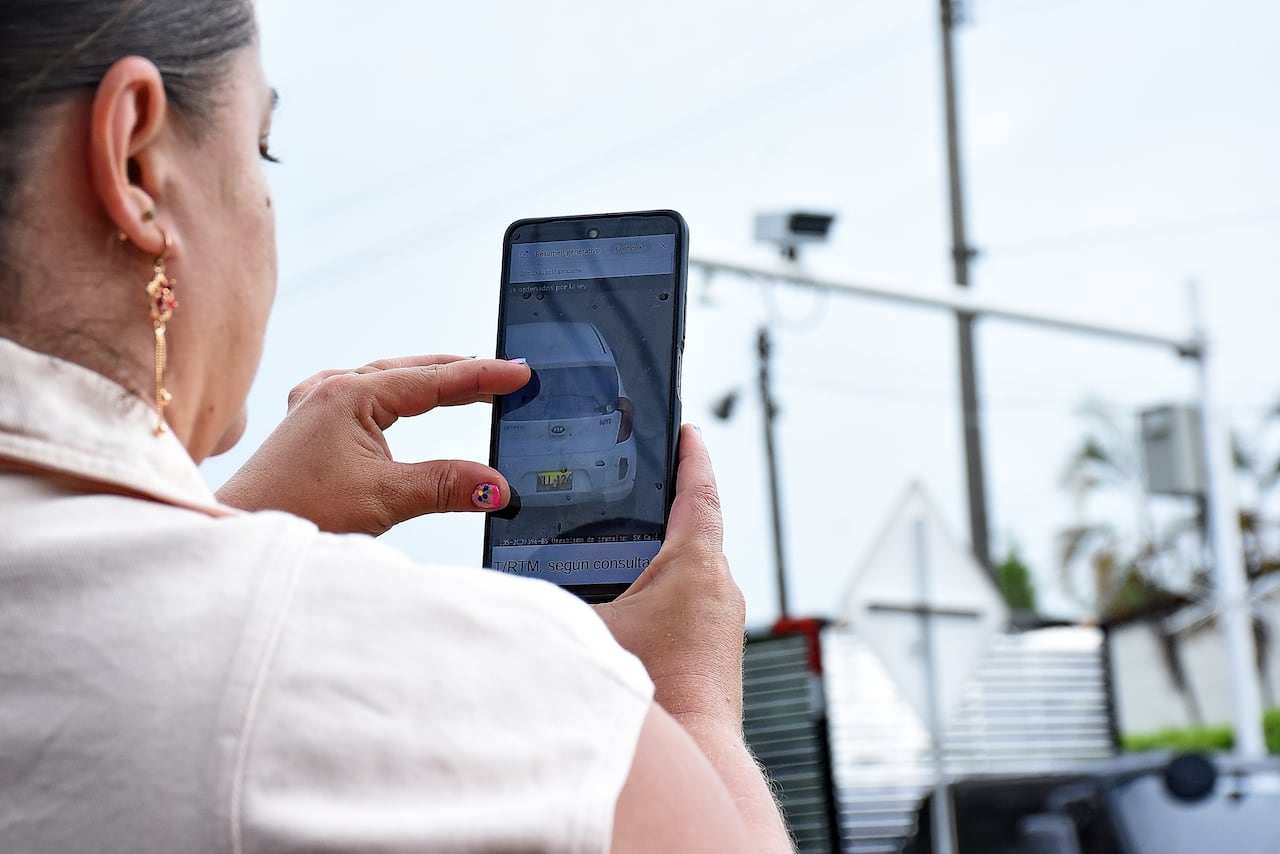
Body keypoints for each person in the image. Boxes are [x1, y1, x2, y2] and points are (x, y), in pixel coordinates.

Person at [0, 2, 793, 852]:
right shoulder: (514, 691)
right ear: (134, 160)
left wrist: (235, 525)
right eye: (260, 150)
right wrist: (689, 702)